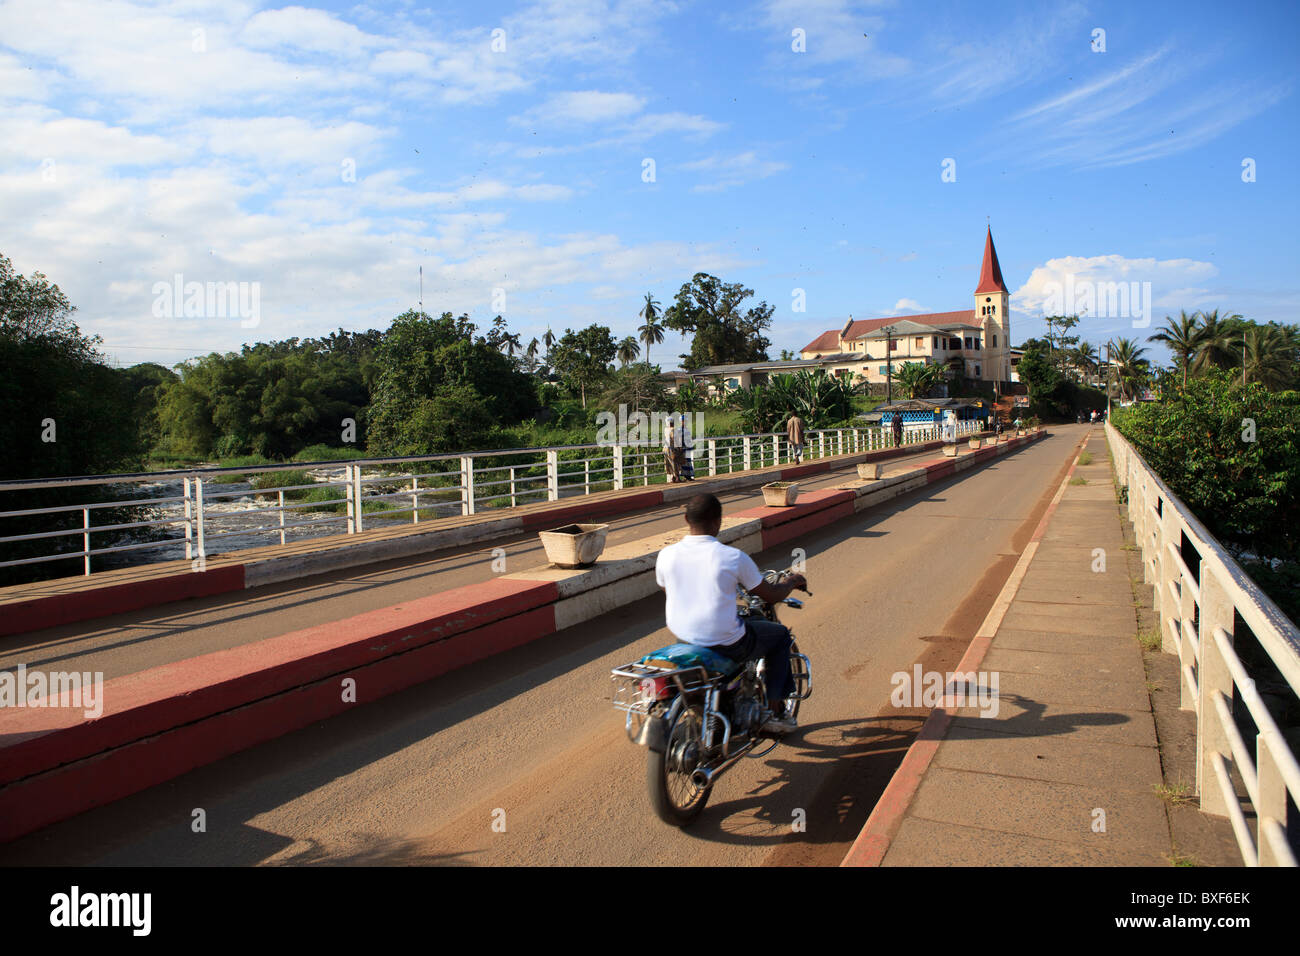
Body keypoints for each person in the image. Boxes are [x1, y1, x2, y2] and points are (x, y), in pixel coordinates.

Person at [655, 493, 807, 735]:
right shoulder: (733, 557)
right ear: (718, 522)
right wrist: (791, 581)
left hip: (684, 639)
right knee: (779, 635)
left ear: (686, 519)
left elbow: (669, 589)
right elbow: (771, 595)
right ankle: (775, 711)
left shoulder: (666, 555)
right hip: (726, 643)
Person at [663, 416, 682, 483]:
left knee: (669, 463)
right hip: (671, 448)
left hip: (665, 448)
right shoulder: (673, 430)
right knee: (675, 462)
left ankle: (673, 477)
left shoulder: (666, 429)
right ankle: (677, 477)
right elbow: (675, 439)